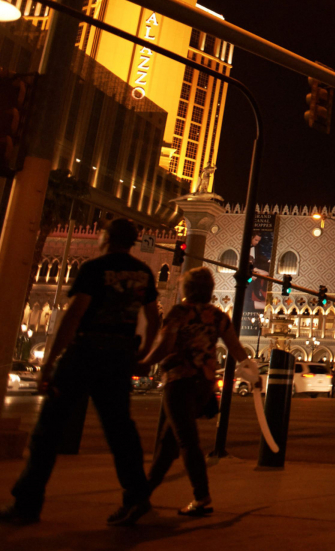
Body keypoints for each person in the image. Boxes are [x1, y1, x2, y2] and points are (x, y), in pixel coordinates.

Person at [1, 218, 160, 527]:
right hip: (119, 356)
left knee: (48, 429)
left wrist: (50, 362)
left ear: (108, 238)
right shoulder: (144, 273)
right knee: (120, 430)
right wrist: (143, 356)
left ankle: (28, 502)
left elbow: (75, 313)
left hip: (86, 352)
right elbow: (153, 319)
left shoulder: (94, 269)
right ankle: (137, 496)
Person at [138, 267, 250, 517]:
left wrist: (145, 361)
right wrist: (249, 368)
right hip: (205, 385)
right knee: (170, 442)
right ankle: (142, 494)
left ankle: (202, 497)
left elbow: (165, 345)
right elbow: (235, 347)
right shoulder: (218, 316)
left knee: (186, 441)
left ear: (186, 289)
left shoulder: (179, 313)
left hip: (179, 381)